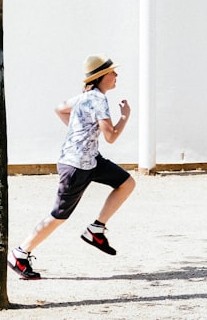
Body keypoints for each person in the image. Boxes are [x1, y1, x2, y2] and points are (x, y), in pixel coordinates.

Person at [7, 54, 136, 280]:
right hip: (76, 165)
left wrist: (79, 132)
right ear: (102, 77)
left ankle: (96, 229)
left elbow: (60, 108)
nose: (116, 75)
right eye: (113, 72)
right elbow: (111, 136)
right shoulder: (98, 100)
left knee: (126, 183)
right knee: (59, 215)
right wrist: (125, 116)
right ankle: (20, 253)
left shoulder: (85, 97)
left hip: (91, 160)